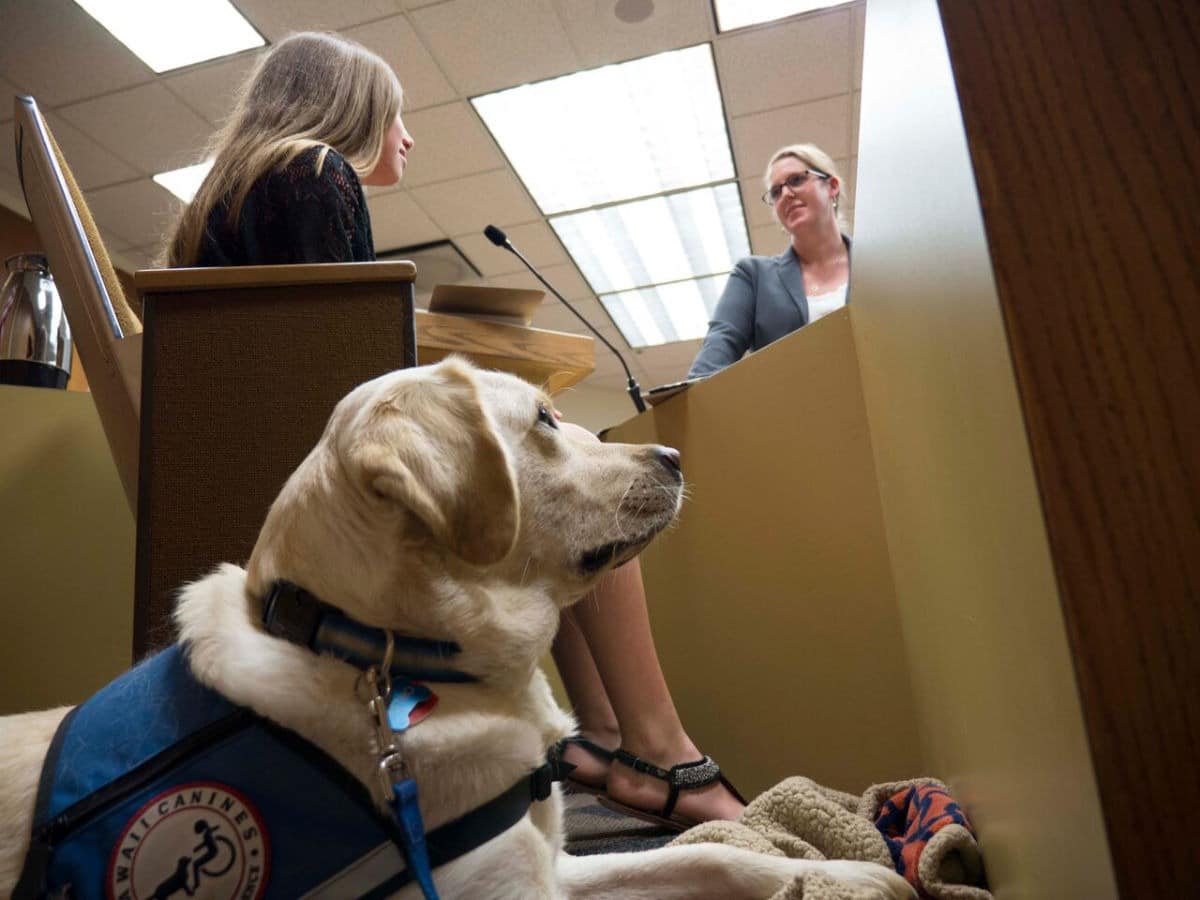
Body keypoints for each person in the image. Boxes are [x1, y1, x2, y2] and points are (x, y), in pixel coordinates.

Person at [163, 31, 741, 829]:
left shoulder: (224, 202)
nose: (407, 136)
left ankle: (602, 741)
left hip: (294, 503)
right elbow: (357, 376)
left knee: (545, 481)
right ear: (353, 108)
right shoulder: (315, 171)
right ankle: (660, 748)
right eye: (396, 115)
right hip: (345, 505)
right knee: (590, 488)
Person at [688, 143, 851, 378]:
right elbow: (714, 355)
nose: (786, 194)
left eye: (796, 180)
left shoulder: (877, 265)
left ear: (832, 186)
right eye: (776, 192)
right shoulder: (753, 276)